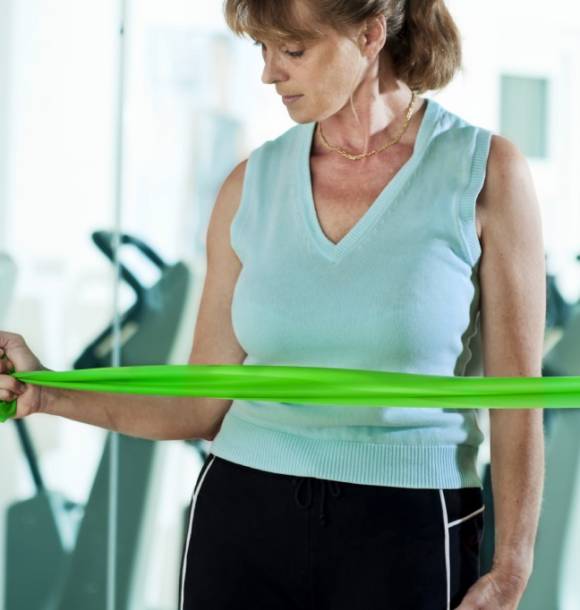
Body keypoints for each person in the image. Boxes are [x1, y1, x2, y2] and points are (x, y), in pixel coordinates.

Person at [0, 0, 546, 608]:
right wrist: (47, 392)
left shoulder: (484, 172)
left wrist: (511, 570)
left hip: (408, 524)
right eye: (262, 49)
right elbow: (200, 404)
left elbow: (517, 397)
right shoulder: (249, 186)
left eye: (292, 50)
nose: (269, 73)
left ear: (368, 37)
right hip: (242, 517)